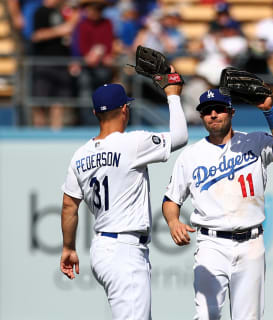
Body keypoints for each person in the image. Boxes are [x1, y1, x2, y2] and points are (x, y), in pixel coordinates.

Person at [59, 76, 188, 319]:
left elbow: (69, 206)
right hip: (124, 250)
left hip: (103, 249)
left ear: (96, 113)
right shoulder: (132, 143)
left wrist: (68, 247)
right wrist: (173, 94)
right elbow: (180, 136)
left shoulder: (80, 155)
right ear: (125, 110)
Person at [162, 88, 273, 319]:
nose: (213, 114)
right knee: (206, 315)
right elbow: (171, 199)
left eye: (219, 109)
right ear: (201, 117)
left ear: (231, 112)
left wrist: (269, 111)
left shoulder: (254, 140)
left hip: (251, 242)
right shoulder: (190, 156)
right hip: (211, 243)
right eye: (207, 111)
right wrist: (173, 222)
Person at [30, 0, 78, 128]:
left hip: (62, 63)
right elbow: (36, 35)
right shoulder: (40, 12)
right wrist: (60, 30)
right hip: (44, 63)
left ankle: (56, 133)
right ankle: (37, 137)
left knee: (59, 103)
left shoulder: (63, 12)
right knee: (40, 103)